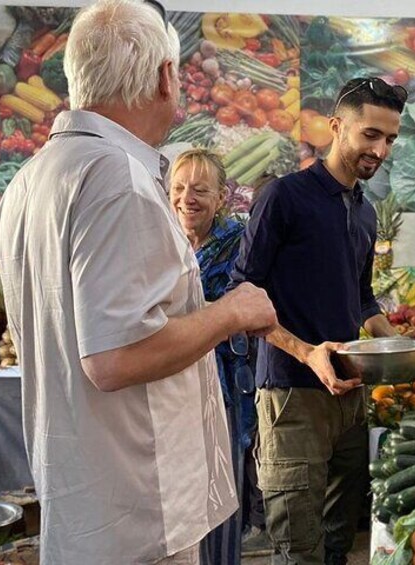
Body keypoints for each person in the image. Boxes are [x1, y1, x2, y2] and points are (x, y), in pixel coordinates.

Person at [0, 1, 277, 563]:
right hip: (140, 512)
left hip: (88, 500)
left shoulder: (31, 178)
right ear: (165, 77)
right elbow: (116, 357)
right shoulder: (114, 178)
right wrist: (231, 313)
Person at [231, 77, 407, 565]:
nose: (381, 149)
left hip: (349, 399)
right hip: (291, 397)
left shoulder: (365, 212)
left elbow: (363, 298)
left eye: (390, 138)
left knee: (338, 543)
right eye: (370, 134)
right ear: (336, 126)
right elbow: (243, 296)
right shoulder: (284, 198)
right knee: (299, 549)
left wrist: (401, 348)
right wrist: (307, 352)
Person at [168, 148, 255, 565]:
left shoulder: (239, 243)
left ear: (221, 197)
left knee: (221, 496)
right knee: (179, 500)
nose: (188, 198)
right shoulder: (162, 241)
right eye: (180, 188)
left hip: (222, 388)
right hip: (170, 385)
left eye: (200, 190)